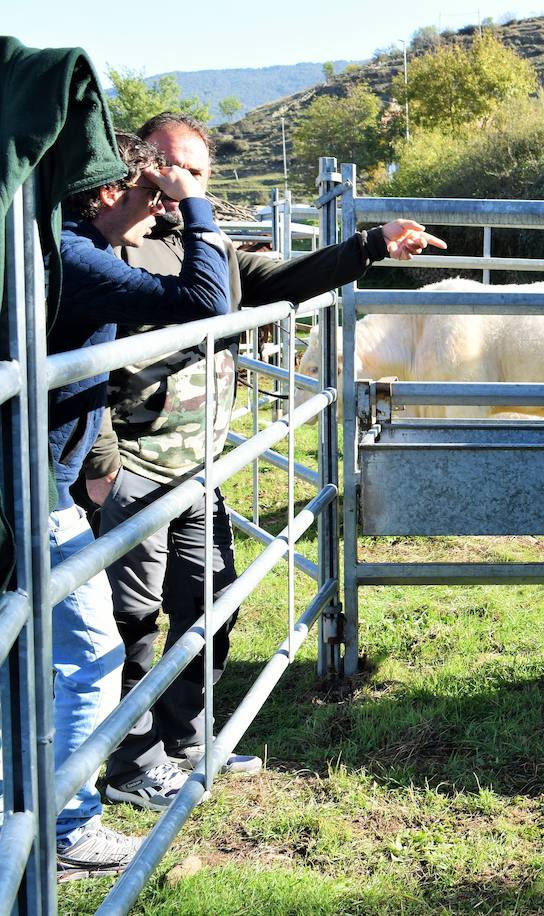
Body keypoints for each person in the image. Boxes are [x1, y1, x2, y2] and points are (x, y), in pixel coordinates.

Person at [83, 113, 445, 810]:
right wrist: (102, 461)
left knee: (210, 604)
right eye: (168, 165)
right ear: (140, 163)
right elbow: (84, 358)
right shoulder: (117, 244)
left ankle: (187, 742)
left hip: (202, 469)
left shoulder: (203, 249)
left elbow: (284, 277)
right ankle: (130, 764)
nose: (180, 182)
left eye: (196, 172)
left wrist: (370, 244)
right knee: (130, 624)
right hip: (136, 466)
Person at [51, 131, 231, 878]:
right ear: (104, 193)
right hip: (38, 480)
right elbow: (208, 298)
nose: (163, 205)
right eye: (153, 192)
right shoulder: (76, 255)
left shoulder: (67, 250)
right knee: (92, 646)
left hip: (49, 473)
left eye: (173, 194)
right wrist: (198, 207)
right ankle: (65, 827)